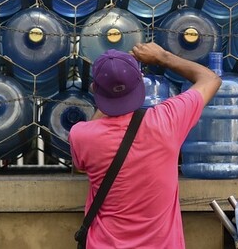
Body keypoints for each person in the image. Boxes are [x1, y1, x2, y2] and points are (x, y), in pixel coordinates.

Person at [69, 42, 222, 248]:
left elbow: (79, 166)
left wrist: (106, 96)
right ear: (140, 83)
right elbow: (210, 79)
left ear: (95, 89)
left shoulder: (81, 136)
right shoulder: (168, 120)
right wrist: (162, 57)